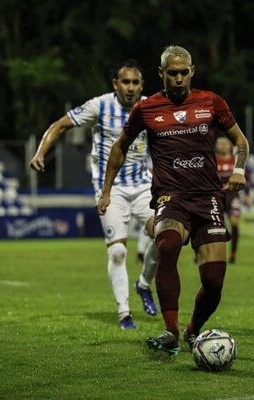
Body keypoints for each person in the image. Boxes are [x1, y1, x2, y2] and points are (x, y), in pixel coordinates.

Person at [97, 45, 249, 355]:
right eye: (172, 73)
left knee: (214, 280)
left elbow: (240, 141)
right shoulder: (146, 109)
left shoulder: (211, 102)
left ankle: (193, 329)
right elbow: (119, 147)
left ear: (192, 72)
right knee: (166, 244)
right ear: (161, 74)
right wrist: (107, 189)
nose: (178, 78)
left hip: (208, 197)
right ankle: (170, 331)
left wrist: (240, 169)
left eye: (183, 73)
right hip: (171, 196)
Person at [29, 59, 158, 330]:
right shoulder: (99, 106)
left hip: (143, 185)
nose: (131, 87)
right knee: (119, 252)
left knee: (165, 235)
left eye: (135, 82)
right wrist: (41, 151)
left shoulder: (150, 106)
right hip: (110, 189)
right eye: (126, 82)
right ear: (115, 84)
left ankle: (144, 283)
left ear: (142, 85)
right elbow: (61, 125)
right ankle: (124, 312)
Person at [215, 136, 251, 263]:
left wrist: (247, 194)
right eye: (220, 143)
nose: (223, 146)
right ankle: (204, 253)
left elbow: (245, 177)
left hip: (232, 196)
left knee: (234, 223)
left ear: (230, 146)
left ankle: (233, 254)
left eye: (225, 143)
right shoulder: (213, 160)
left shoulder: (236, 161)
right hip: (217, 196)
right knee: (213, 227)